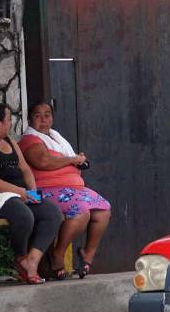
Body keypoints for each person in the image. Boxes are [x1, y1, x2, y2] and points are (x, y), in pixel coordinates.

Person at [0, 101, 63, 284]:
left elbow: (25, 169)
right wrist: (19, 191)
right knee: (23, 215)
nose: (10, 123)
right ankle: (20, 258)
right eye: (8, 119)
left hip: (18, 195)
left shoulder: (8, 141)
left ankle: (32, 262)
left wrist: (32, 192)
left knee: (52, 213)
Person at [20, 102, 111, 279]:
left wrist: (76, 160)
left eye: (47, 115)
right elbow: (43, 162)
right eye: (38, 115)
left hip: (71, 190)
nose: (43, 119)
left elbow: (61, 160)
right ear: (30, 119)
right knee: (81, 213)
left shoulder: (56, 139)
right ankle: (57, 255)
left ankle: (87, 255)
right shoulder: (29, 140)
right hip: (41, 191)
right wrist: (71, 160)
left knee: (103, 211)